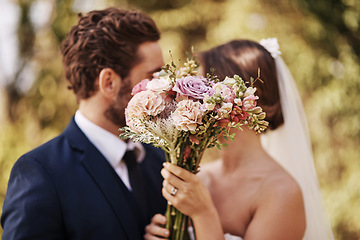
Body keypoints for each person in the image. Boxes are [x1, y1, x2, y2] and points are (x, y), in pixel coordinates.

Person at [1, 7, 167, 240]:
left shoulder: (159, 160)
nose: (165, 89)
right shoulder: (40, 173)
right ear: (109, 82)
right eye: (153, 76)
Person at [145, 39, 334, 240]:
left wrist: (204, 214)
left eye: (201, 94)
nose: (189, 104)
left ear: (237, 102)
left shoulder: (282, 193)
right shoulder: (199, 176)